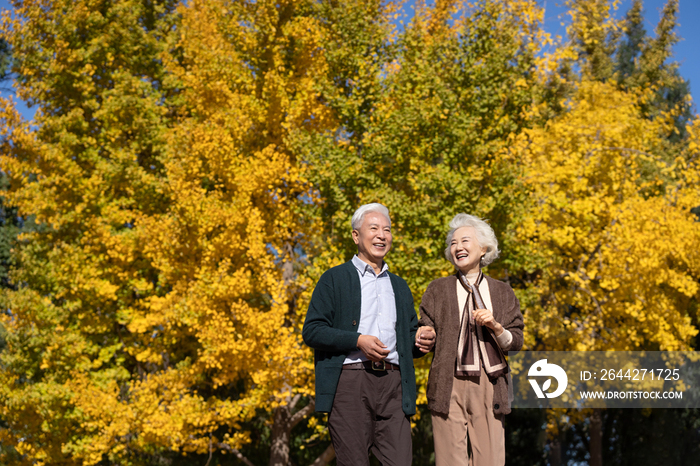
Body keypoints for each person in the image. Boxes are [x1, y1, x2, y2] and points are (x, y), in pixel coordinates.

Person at [302, 203, 435, 466]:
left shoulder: (399, 286)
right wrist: (357, 340)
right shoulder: (334, 279)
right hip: (350, 382)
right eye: (373, 228)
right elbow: (312, 330)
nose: (381, 235)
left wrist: (420, 340)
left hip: (394, 384)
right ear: (356, 236)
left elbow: (409, 339)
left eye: (386, 230)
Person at [418, 213, 524, 466]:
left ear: (483, 248)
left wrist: (496, 326)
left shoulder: (502, 291)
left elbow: (516, 341)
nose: (458, 247)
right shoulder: (437, 288)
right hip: (447, 382)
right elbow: (425, 327)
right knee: (449, 461)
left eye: (465, 241)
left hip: (490, 382)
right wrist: (425, 335)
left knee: (490, 460)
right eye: (453, 243)